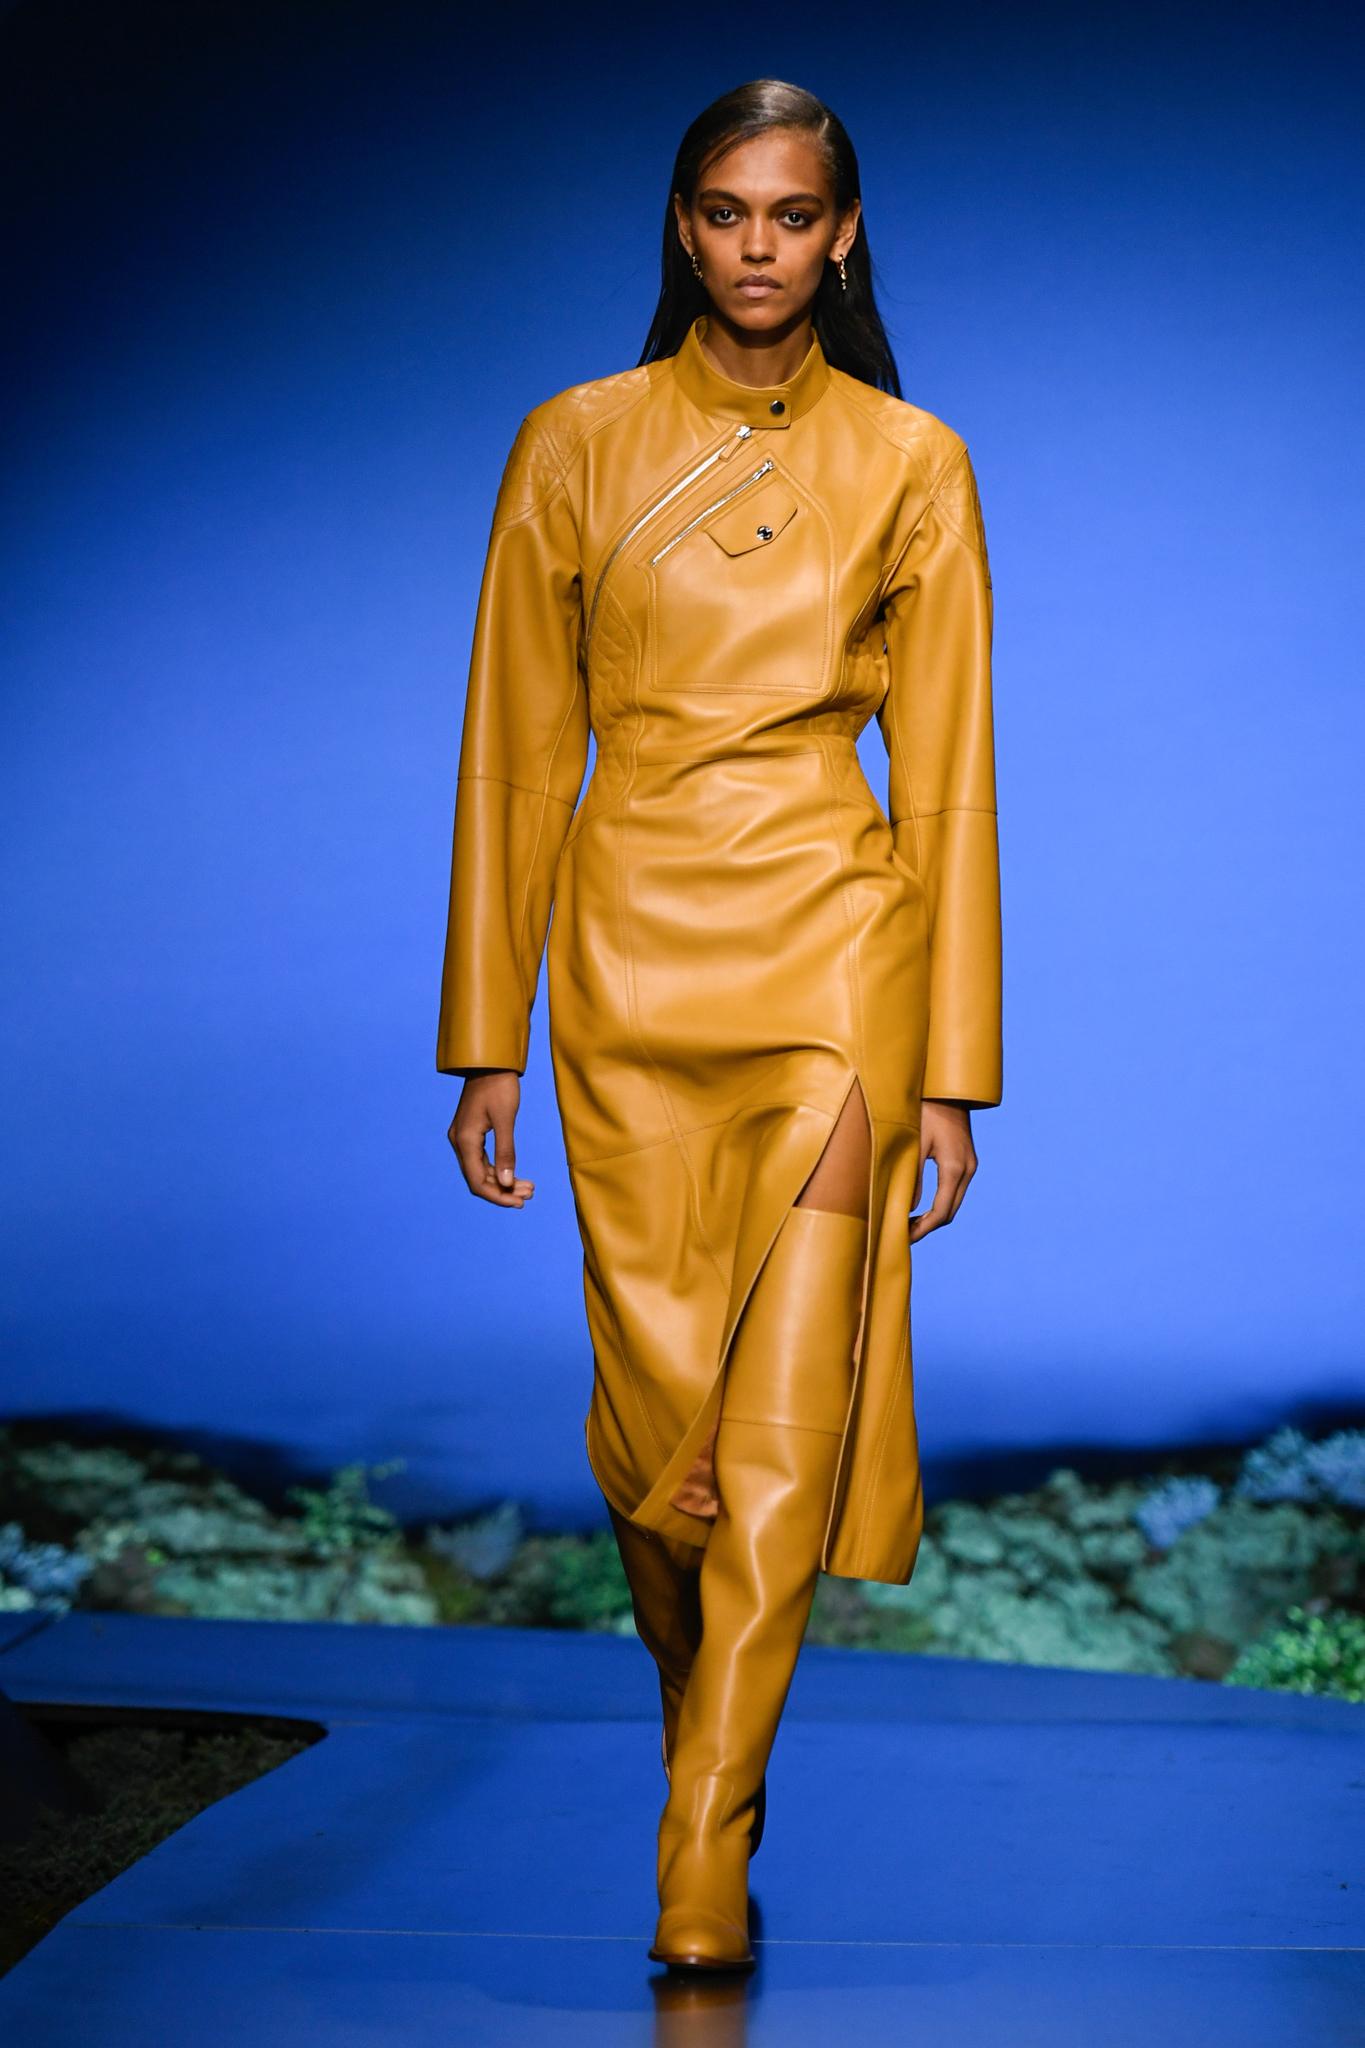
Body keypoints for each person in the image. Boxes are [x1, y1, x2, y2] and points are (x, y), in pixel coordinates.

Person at [436, 76, 1002, 1973]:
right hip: (625, 964)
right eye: (726, 210)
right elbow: (515, 754)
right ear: (683, 229)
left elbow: (951, 784)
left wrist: (951, 1070)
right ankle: (698, 1719)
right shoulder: (573, 443)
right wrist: (486, 1034)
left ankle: (705, 1833)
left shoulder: (913, 462)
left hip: (834, 955)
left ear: (843, 237)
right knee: (652, 1443)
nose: (760, 245)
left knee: (778, 1426)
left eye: (793, 214)